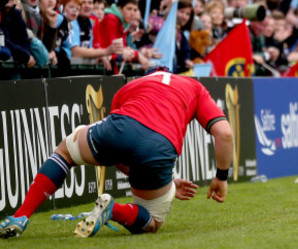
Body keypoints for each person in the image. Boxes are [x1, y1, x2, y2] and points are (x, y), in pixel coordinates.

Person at [0, 67, 234, 239]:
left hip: (118, 128)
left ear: (147, 76)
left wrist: (168, 182)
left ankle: (21, 214)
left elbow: (120, 152)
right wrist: (221, 177)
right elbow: (224, 133)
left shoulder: (129, 87)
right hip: (159, 147)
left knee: (65, 152)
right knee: (151, 222)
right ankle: (113, 209)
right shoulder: (193, 86)